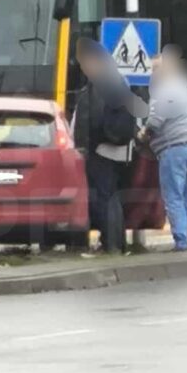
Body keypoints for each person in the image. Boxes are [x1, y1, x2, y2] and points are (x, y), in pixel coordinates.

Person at [72, 37, 137, 254]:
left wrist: (88, 143)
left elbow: (95, 118)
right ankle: (117, 243)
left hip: (103, 150)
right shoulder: (119, 80)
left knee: (104, 198)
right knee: (112, 198)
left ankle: (110, 245)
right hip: (118, 149)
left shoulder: (101, 84)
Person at [139, 47, 187, 251]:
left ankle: (182, 242)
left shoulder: (165, 89)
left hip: (172, 149)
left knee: (173, 197)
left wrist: (144, 133)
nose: (152, 73)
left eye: (155, 69)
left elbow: (156, 119)